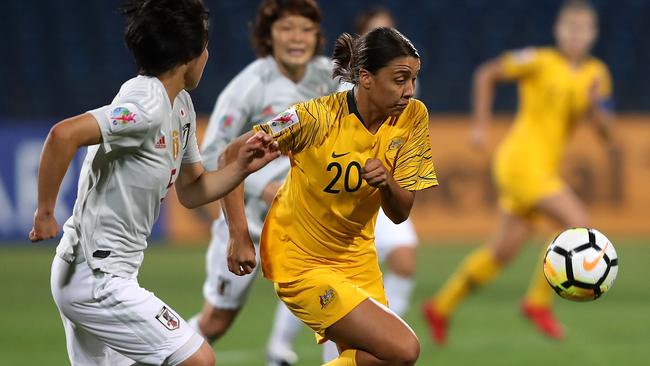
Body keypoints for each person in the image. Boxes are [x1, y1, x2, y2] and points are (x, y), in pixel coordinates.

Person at [28, 1, 279, 365]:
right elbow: (62, 134)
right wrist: (45, 212)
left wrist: (241, 166)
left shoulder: (180, 108)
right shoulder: (145, 105)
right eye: (205, 48)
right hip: (97, 277)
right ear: (192, 56)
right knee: (198, 359)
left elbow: (194, 192)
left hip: (100, 273)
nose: (207, 56)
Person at [223, 27, 438, 366]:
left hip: (358, 260)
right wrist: (238, 236)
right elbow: (231, 157)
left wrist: (386, 183)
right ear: (365, 77)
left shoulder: (413, 118)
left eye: (413, 79)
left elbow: (400, 212)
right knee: (403, 349)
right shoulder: (313, 118)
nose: (409, 90)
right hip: (300, 261)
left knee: (381, 360)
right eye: (399, 79)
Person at [422, 0, 615, 345]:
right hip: (521, 162)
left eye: (583, 29)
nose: (576, 35)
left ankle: (441, 306)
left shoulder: (597, 75)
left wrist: (597, 105)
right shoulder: (539, 60)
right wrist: (479, 125)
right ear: (558, 30)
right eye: (570, 27)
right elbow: (487, 74)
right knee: (580, 225)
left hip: (542, 167)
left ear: (593, 34)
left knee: (502, 251)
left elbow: (606, 133)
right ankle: (537, 302)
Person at [185, 1, 338, 365]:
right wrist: (264, 189)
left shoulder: (329, 79)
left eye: (305, 29)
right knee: (217, 321)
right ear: (268, 35)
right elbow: (211, 157)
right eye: (286, 29)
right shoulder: (250, 86)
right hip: (250, 221)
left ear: (317, 35)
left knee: (337, 308)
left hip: (308, 224)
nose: (296, 37)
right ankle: (155, 355)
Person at [320, 6, 421, 363]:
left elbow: (403, 201)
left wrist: (389, 178)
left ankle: (388, 323)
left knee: (405, 261)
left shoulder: (405, 88)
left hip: (378, 198)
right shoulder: (337, 96)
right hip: (338, 209)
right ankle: (278, 347)